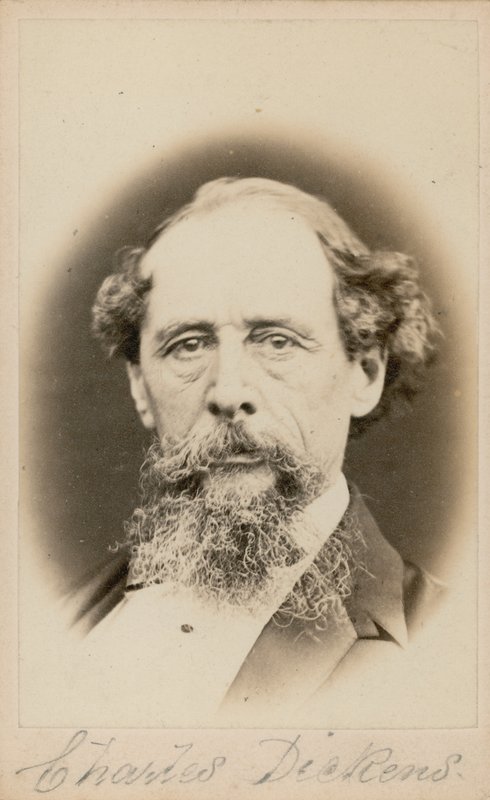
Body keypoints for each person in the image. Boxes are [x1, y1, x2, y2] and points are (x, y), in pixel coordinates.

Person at [65, 176, 444, 727]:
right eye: (188, 345)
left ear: (365, 373)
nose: (228, 392)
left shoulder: (449, 647)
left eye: (277, 341)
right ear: (140, 387)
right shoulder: (63, 623)